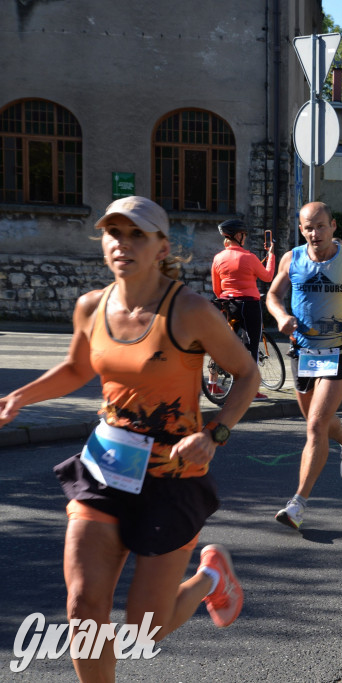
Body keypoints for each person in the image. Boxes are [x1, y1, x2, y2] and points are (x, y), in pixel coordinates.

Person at [0, 196, 257, 681]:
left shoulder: (190, 310)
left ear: (163, 246)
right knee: (83, 607)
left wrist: (215, 433)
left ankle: (209, 579)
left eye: (138, 234)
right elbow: (78, 367)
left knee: (143, 630)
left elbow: (247, 374)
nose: (124, 243)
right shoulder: (91, 307)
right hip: (104, 469)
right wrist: (20, 397)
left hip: (172, 477)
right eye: (114, 232)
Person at [266, 202, 342, 530]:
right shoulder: (291, 259)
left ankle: (297, 504)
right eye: (308, 227)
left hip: (339, 351)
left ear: (333, 226)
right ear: (301, 229)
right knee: (317, 420)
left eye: (320, 226)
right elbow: (273, 296)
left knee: (316, 426)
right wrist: (281, 316)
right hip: (302, 350)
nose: (314, 233)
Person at [210, 219, 277, 399]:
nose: (245, 238)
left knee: (221, 342)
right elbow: (268, 276)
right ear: (239, 236)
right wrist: (270, 255)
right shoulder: (249, 257)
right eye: (244, 235)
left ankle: (212, 384)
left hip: (226, 303)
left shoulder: (218, 258)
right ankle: (250, 389)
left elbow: (217, 288)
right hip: (249, 304)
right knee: (251, 345)